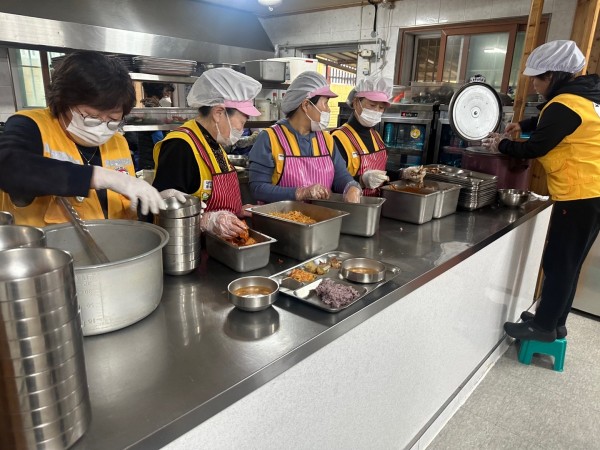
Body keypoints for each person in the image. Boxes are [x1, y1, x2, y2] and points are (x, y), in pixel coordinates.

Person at [482, 40, 600, 342]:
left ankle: (543, 328)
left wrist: (501, 144)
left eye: (538, 78)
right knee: (571, 263)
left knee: (559, 263)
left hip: (579, 194)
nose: (534, 85)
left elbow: (535, 148)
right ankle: (556, 321)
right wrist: (522, 124)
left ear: (553, 76)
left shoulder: (564, 104)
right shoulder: (586, 97)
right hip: (594, 192)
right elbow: (553, 122)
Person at [0, 51, 177, 227]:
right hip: (46, 244)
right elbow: (10, 169)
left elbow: (118, 206)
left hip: (112, 242)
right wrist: (100, 176)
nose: (102, 126)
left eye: (113, 119)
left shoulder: (118, 142)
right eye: (91, 117)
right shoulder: (31, 125)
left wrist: (155, 201)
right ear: (63, 103)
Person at [152, 68, 261, 240]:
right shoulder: (180, 146)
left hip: (221, 246)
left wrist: (236, 211)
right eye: (242, 122)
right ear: (218, 113)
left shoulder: (213, 142)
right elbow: (164, 210)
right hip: (192, 248)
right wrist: (206, 221)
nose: (242, 128)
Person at [248, 71, 362, 203]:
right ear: (306, 105)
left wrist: (351, 187)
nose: (328, 110)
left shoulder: (327, 140)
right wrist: (300, 192)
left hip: (323, 214)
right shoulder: (270, 138)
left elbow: (341, 175)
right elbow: (258, 188)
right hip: (281, 216)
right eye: (325, 103)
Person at [331, 76, 392, 196]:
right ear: (356, 102)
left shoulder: (376, 137)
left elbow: (381, 175)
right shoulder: (338, 138)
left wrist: (402, 174)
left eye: (381, 108)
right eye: (372, 105)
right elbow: (331, 183)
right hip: (352, 204)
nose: (376, 111)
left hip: (376, 204)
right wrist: (361, 180)